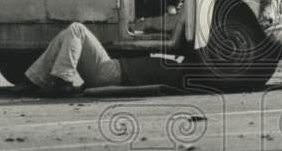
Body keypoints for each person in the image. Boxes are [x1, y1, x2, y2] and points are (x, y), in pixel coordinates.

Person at [21, 21, 184, 97]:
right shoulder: (178, 66)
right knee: (67, 34)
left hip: (112, 74)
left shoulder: (180, 70)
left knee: (77, 29)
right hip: (112, 72)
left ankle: (62, 81)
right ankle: (35, 79)